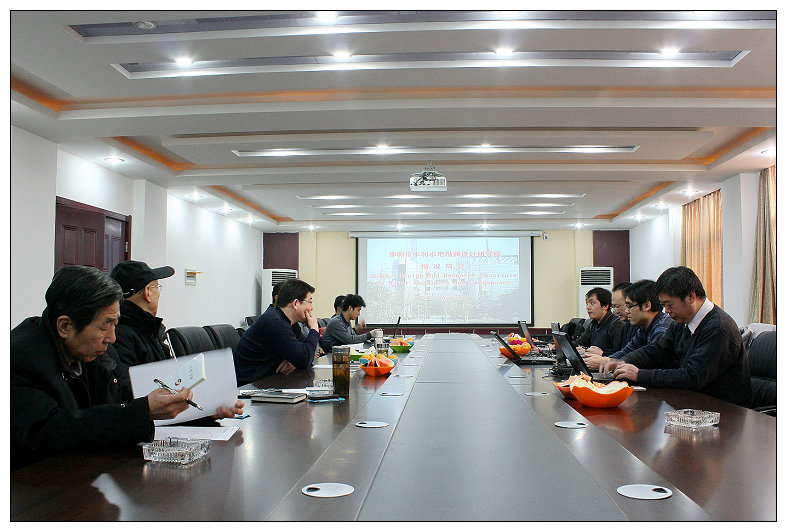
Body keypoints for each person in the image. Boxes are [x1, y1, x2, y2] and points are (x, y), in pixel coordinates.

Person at [10, 266, 193, 470]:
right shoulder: (20, 358)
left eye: (115, 324)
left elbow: (122, 396)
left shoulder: (97, 353)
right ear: (65, 326)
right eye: (105, 326)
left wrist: (175, 405)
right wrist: (140, 412)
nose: (112, 338)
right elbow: (50, 431)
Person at [600, 267, 751, 406]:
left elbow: (693, 376)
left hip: (723, 411)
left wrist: (639, 374)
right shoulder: (682, 322)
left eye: (669, 304)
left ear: (690, 297)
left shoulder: (718, 328)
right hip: (690, 404)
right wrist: (623, 361)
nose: (666, 311)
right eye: (663, 305)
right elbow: (657, 350)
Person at [233, 279, 320, 385]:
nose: (312, 308)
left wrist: (294, 361)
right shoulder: (275, 322)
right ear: (296, 303)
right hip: (249, 387)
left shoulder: (290, 323)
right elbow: (304, 358)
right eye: (310, 302)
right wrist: (314, 329)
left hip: (267, 382)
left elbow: (307, 354)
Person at [583, 280, 673, 370]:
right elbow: (627, 351)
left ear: (646, 306)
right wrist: (608, 361)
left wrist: (608, 361)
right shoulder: (643, 328)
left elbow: (653, 362)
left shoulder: (663, 328)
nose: (627, 311)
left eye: (630, 306)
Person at [110, 261, 176, 377]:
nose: (158, 294)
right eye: (157, 287)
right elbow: (130, 384)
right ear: (147, 292)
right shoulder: (121, 336)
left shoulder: (145, 328)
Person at [573, 287, 623, 356]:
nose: (588, 307)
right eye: (587, 303)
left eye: (592, 303)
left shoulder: (616, 324)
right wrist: (562, 345)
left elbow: (620, 352)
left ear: (605, 306)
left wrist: (601, 353)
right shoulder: (593, 323)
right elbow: (579, 342)